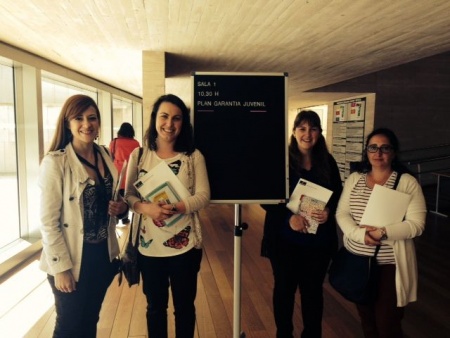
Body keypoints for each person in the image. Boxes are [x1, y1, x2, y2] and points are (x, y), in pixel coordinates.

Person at [38, 94, 129, 337]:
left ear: (99, 123)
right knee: (68, 326)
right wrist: (61, 269)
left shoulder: (103, 154)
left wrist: (120, 207)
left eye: (92, 118)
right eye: (78, 118)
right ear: (68, 124)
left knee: (90, 320)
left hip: (101, 256)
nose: (86, 124)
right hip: (72, 258)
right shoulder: (56, 163)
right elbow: (48, 223)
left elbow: (110, 197)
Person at [125, 94, 210, 338]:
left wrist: (177, 206)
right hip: (148, 249)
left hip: (185, 247)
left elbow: (204, 196)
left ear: (184, 123)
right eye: (164, 116)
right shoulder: (139, 156)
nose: (169, 124)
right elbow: (129, 196)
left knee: (184, 308)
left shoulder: (193, 157)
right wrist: (145, 208)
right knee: (155, 309)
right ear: (154, 119)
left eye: (176, 118)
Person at [335, 128, 426, 338]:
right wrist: (359, 235)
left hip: (389, 265)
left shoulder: (406, 182)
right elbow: (342, 213)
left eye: (385, 148)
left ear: (393, 152)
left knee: (388, 324)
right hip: (357, 261)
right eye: (373, 148)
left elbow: (417, 224)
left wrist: (382, 233)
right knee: (367, 320)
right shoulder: (355, 179)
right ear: (366, 152)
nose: (378, 153)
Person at [261, 110, 343, 338]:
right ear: (294, 132)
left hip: (318, 242)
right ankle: (284, 334)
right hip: (284, 240)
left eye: (313, 128)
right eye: (303, 128)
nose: (308, 134)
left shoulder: (328, 161)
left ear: (320, 132)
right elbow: (265, 198)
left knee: (313, 292)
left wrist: (329, 210)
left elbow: (338, 194)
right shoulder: (281, 161)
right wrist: (290, 218)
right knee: (284, 291)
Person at [109, 122, 140, 225]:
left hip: (118, 173)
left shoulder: (114, 142)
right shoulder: (135, 143)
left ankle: (116, 219)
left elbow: (110, 157)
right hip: (131, 173)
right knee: (129, 196)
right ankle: (125, 218)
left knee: (117, 196)